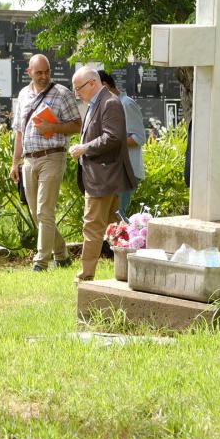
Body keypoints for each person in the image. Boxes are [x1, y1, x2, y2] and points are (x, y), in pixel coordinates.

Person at [10, 54, 82, 271]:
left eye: (46, 71)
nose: (43, 76)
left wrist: (54, 128)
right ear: (29, 72)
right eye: (38, 72)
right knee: (36, 213)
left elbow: (78, 125)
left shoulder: (62, 94)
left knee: (44, 210)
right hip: (29, 161)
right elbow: (19, 132)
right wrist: (15, 162)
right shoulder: (23, 95)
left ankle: (40, 261)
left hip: (53, 156)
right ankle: (61, 254)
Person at [69, 66, 136, 283]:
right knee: (115, 229)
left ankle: (85, 276)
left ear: (92, 83)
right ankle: (135, 267)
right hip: (101, 176)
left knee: (93, 227)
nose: (76, 93)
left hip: (103, 178)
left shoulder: (109, 102)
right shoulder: (96, 103)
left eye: (78, 88)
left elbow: (113, 137)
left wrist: (85, 148)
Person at [98, 69, 145, 215]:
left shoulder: (126, 104)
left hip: (126, 171)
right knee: (111, 216)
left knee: (118, 215)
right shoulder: (109, 105)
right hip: (114, 170)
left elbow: (139, 138)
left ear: (104, 86)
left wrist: (109, 142)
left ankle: (132, 238)